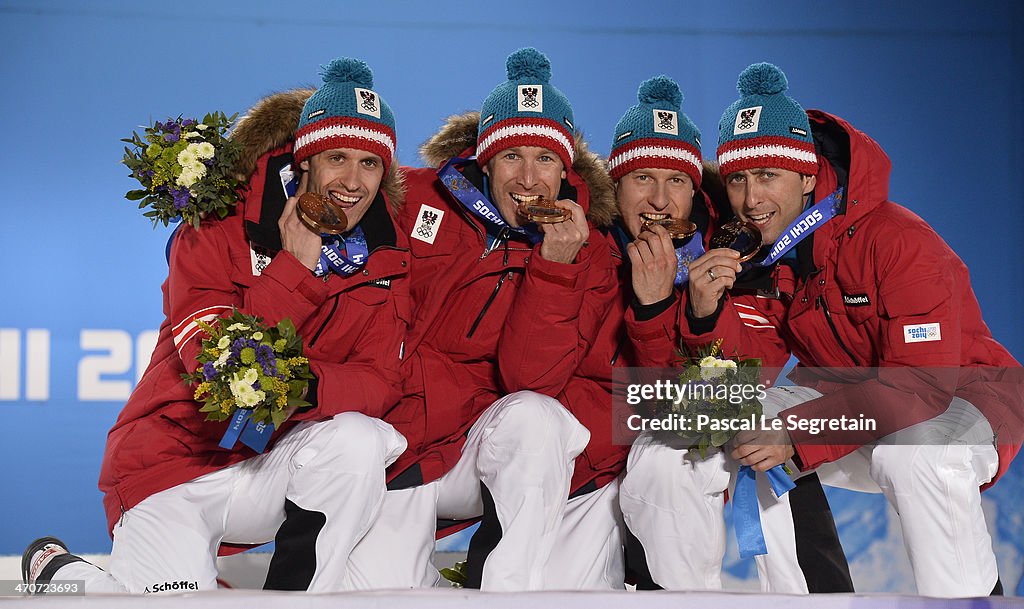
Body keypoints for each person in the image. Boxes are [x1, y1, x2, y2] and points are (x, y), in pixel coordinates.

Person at [22, 57, 410, 594]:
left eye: (370, 164)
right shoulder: (217, 228)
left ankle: (298, 601)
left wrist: (303, 387)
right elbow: (221, 368)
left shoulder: (385, 257)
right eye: (337, 157)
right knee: (170, 603)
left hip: (273, 463)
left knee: (360, 439)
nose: (352, 181)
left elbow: (377, 381)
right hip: (172, 465)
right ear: (304, 163)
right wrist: (294, 270)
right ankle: (66, 575)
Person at [677, 61, 1022, 597]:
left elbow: (922, 385)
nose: (749, 199)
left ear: (808, 175)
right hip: (852, 404)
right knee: (740, 416)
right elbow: (747, 370)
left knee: (917, 456)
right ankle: (814, 599)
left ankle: (969, 603)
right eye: (739, 178)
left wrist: (797, 432)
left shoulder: (898, 241)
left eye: (768, 175)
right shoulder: (771, 257)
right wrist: (705, 311)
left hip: (960, 395)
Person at [351, 47, 619, 591]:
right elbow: (326, 179)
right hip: (394, 435)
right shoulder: (414, 196)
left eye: (545, 159)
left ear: (566, 170)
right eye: (512, 156)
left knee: (539, 417)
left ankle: (510, 594)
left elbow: (534, 381)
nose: (528, 177)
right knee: (376, 592)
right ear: (486, 159)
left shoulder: (587, 251)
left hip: (477, 443)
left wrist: (553, 269)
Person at [610, 75, 851, 593]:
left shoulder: (746, 255)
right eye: (641, 178)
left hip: (679, 428)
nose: (659, 199)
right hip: (599, 453)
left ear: (697, 188)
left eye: (676, 180)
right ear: (615, 185)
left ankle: (817, 596)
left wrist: (699, 314)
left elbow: (742, 380)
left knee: (758, 433)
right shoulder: (583, 248)